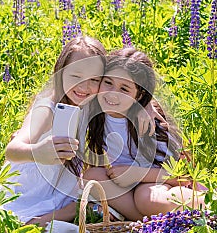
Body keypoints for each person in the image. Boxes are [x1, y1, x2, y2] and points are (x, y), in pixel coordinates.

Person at [2, 37, 164, 227]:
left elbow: (126, 85)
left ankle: (151, 224)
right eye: (75, 76)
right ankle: (70, 213)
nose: (84, 87)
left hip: (62, 192)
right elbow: (12, 149)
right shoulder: (47, 108)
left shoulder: (92, 101)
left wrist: (146, 104)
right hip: (29, 190)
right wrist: (37, 151)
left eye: (94, 80)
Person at [83, 48, 204, 221]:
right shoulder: (96, 113)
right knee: (92, 177)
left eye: (124, 89)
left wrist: (137, 174)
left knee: (145, 198)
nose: (112, 93)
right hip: (128, 182)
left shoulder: (148, 122)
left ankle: (212, 206)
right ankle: (150, 225)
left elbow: (182, 176)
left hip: (162, 182)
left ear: (139, 95)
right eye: (108, 82)